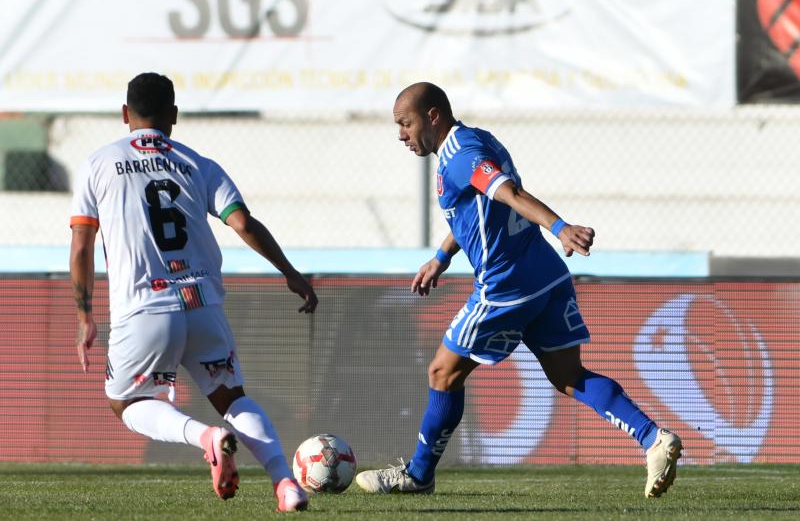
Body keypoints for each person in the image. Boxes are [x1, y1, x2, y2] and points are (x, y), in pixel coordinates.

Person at [355, 82, 682, 498]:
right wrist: (442, 256)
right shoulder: (476, 140)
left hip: (505, 286)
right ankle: (653, 437)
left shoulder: (461, 155)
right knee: (568, 377)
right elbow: (478, 212)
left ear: (432, 115)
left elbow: (508, 193)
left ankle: (419, 475)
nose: (400, 133)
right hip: (546, 277)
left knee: (442, 371)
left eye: (405, 123)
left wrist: (561, 227)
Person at [69, 72, 315, 512]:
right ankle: (286, 483)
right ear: (174, 115)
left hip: (144, 308)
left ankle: (206, 437)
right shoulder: (199, 163)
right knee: (232, 397)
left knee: (126, 402)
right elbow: (243, 223)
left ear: (125, 114)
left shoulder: (98, 163)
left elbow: (83, 246)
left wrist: (85, 315)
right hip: (203, 304)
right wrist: (290, 273)